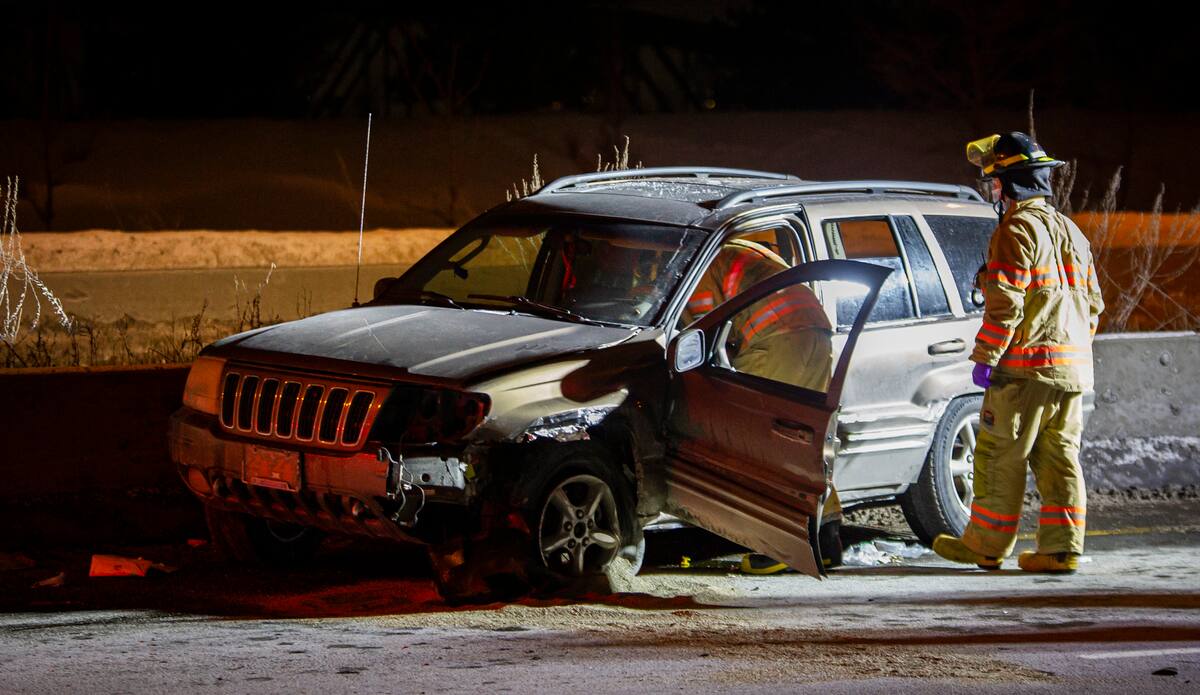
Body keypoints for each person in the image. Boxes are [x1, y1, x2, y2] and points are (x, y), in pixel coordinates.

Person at [933, 132, 1104, 573]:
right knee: (1060, 458)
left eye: (996, 182)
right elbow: (1095, 306)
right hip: (1072, 373)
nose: (994, 192)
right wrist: (1072, 352)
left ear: (1008, 186)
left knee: (996, 456)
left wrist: (986, 358)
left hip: (1024, 371)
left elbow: (1005, 303)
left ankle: (985, 545)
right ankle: (1061, 549)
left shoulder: (1015, 230)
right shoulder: (1072, 232)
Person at [682, 238, 842, 572]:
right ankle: (826, 537)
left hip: (775, 338)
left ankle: (780, 545)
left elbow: (698, 328)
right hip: (815, 335)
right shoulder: (732, 247)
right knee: (803, 441)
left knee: (763, 445)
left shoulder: (696, 262)